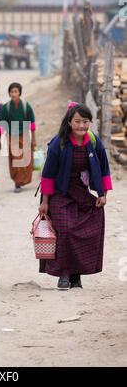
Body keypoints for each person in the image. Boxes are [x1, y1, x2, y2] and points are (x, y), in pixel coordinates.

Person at [38, 103, 112, 290]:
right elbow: (47, 174)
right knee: (66, 231)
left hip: (81, 191)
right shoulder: (59, 142)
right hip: (60, 193)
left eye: (85, 122)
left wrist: (103, 195)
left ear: (90, 122)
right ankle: (64, 274)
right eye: (77, 121)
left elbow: (104, 169)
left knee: (90, 227)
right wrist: (45, 202)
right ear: (70, 122)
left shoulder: (94, 142)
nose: (81, 126)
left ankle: (76, 275)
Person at [0, 82, 36, 193]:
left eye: (16, 91)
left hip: (25, 136)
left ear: (19, 93)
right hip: (11, 137)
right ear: (9, 93)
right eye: (12, 91)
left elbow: (32, 123)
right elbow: (2, 124)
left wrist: (33, 138)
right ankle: (17, 183)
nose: (14, 94)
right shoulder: (6, 107)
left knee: (27, 159)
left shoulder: (26, 106)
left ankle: (23, 180)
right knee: (16, 160)